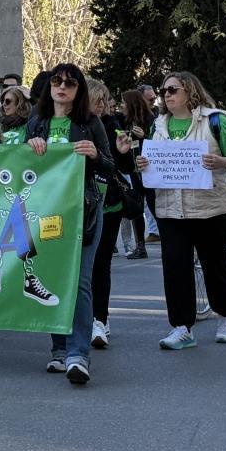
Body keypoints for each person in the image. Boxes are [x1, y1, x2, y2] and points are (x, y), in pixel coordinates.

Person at [136, 71, 226, 351]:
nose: (167, 95)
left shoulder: (215, 120)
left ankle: (225, 316)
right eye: (163, 91)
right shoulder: (157, 125)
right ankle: (182, 327)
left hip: (211, 208)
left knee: (214, 265)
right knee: (175, 267)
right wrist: (142, 163)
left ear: (190, 92)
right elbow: (152, 161)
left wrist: (220, 161)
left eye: (173, 89)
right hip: (171, 208)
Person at [26, 63, 114, 384]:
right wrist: (29, 149)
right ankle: (59, 350)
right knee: (52, 277)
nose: (62, 87)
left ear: (79, 90)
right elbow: (24, 169)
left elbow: (110, 167)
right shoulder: (36, 123)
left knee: (80, 282)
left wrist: (94, 155)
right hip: (47, 213)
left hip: (84, 211)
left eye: (70, 83)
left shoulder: (90, 123)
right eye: (57, 81)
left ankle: (79, 355)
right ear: (49, 87)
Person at [86, 79, 135, 350]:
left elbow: (125, 166)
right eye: (97, 99)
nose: (102, 104)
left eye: (105, 99)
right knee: (82, 265)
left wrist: (124, 152)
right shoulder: (74, 125)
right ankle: (84, 315)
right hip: (76, 204)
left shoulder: (113, 125)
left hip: (108, 204)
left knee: (101, 262)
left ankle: (100, 319)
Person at [117, 89, 154, 260]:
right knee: (136, 208)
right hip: (133, 172)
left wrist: (144, 136)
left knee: (155, 207)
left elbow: (159, 145)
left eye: (124, 102)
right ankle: (140, 247)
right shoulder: (124, 121)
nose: (121, 105)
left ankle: (169, 241)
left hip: (151, 171)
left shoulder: (150, 120)